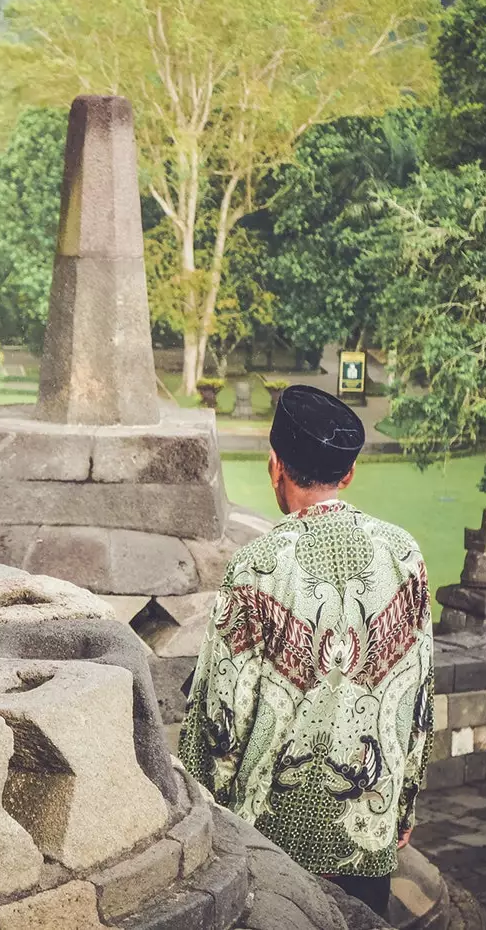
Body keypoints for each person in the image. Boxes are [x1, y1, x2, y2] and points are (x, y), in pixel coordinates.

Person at [178, 385, 434, 918]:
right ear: (349, 474)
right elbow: (418, 695)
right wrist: (405, 801)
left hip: (269, 841)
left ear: (275, 466)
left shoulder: (258, 565)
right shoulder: (405, 554)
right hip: (369, 827)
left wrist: (200, 818)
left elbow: (220, 719)